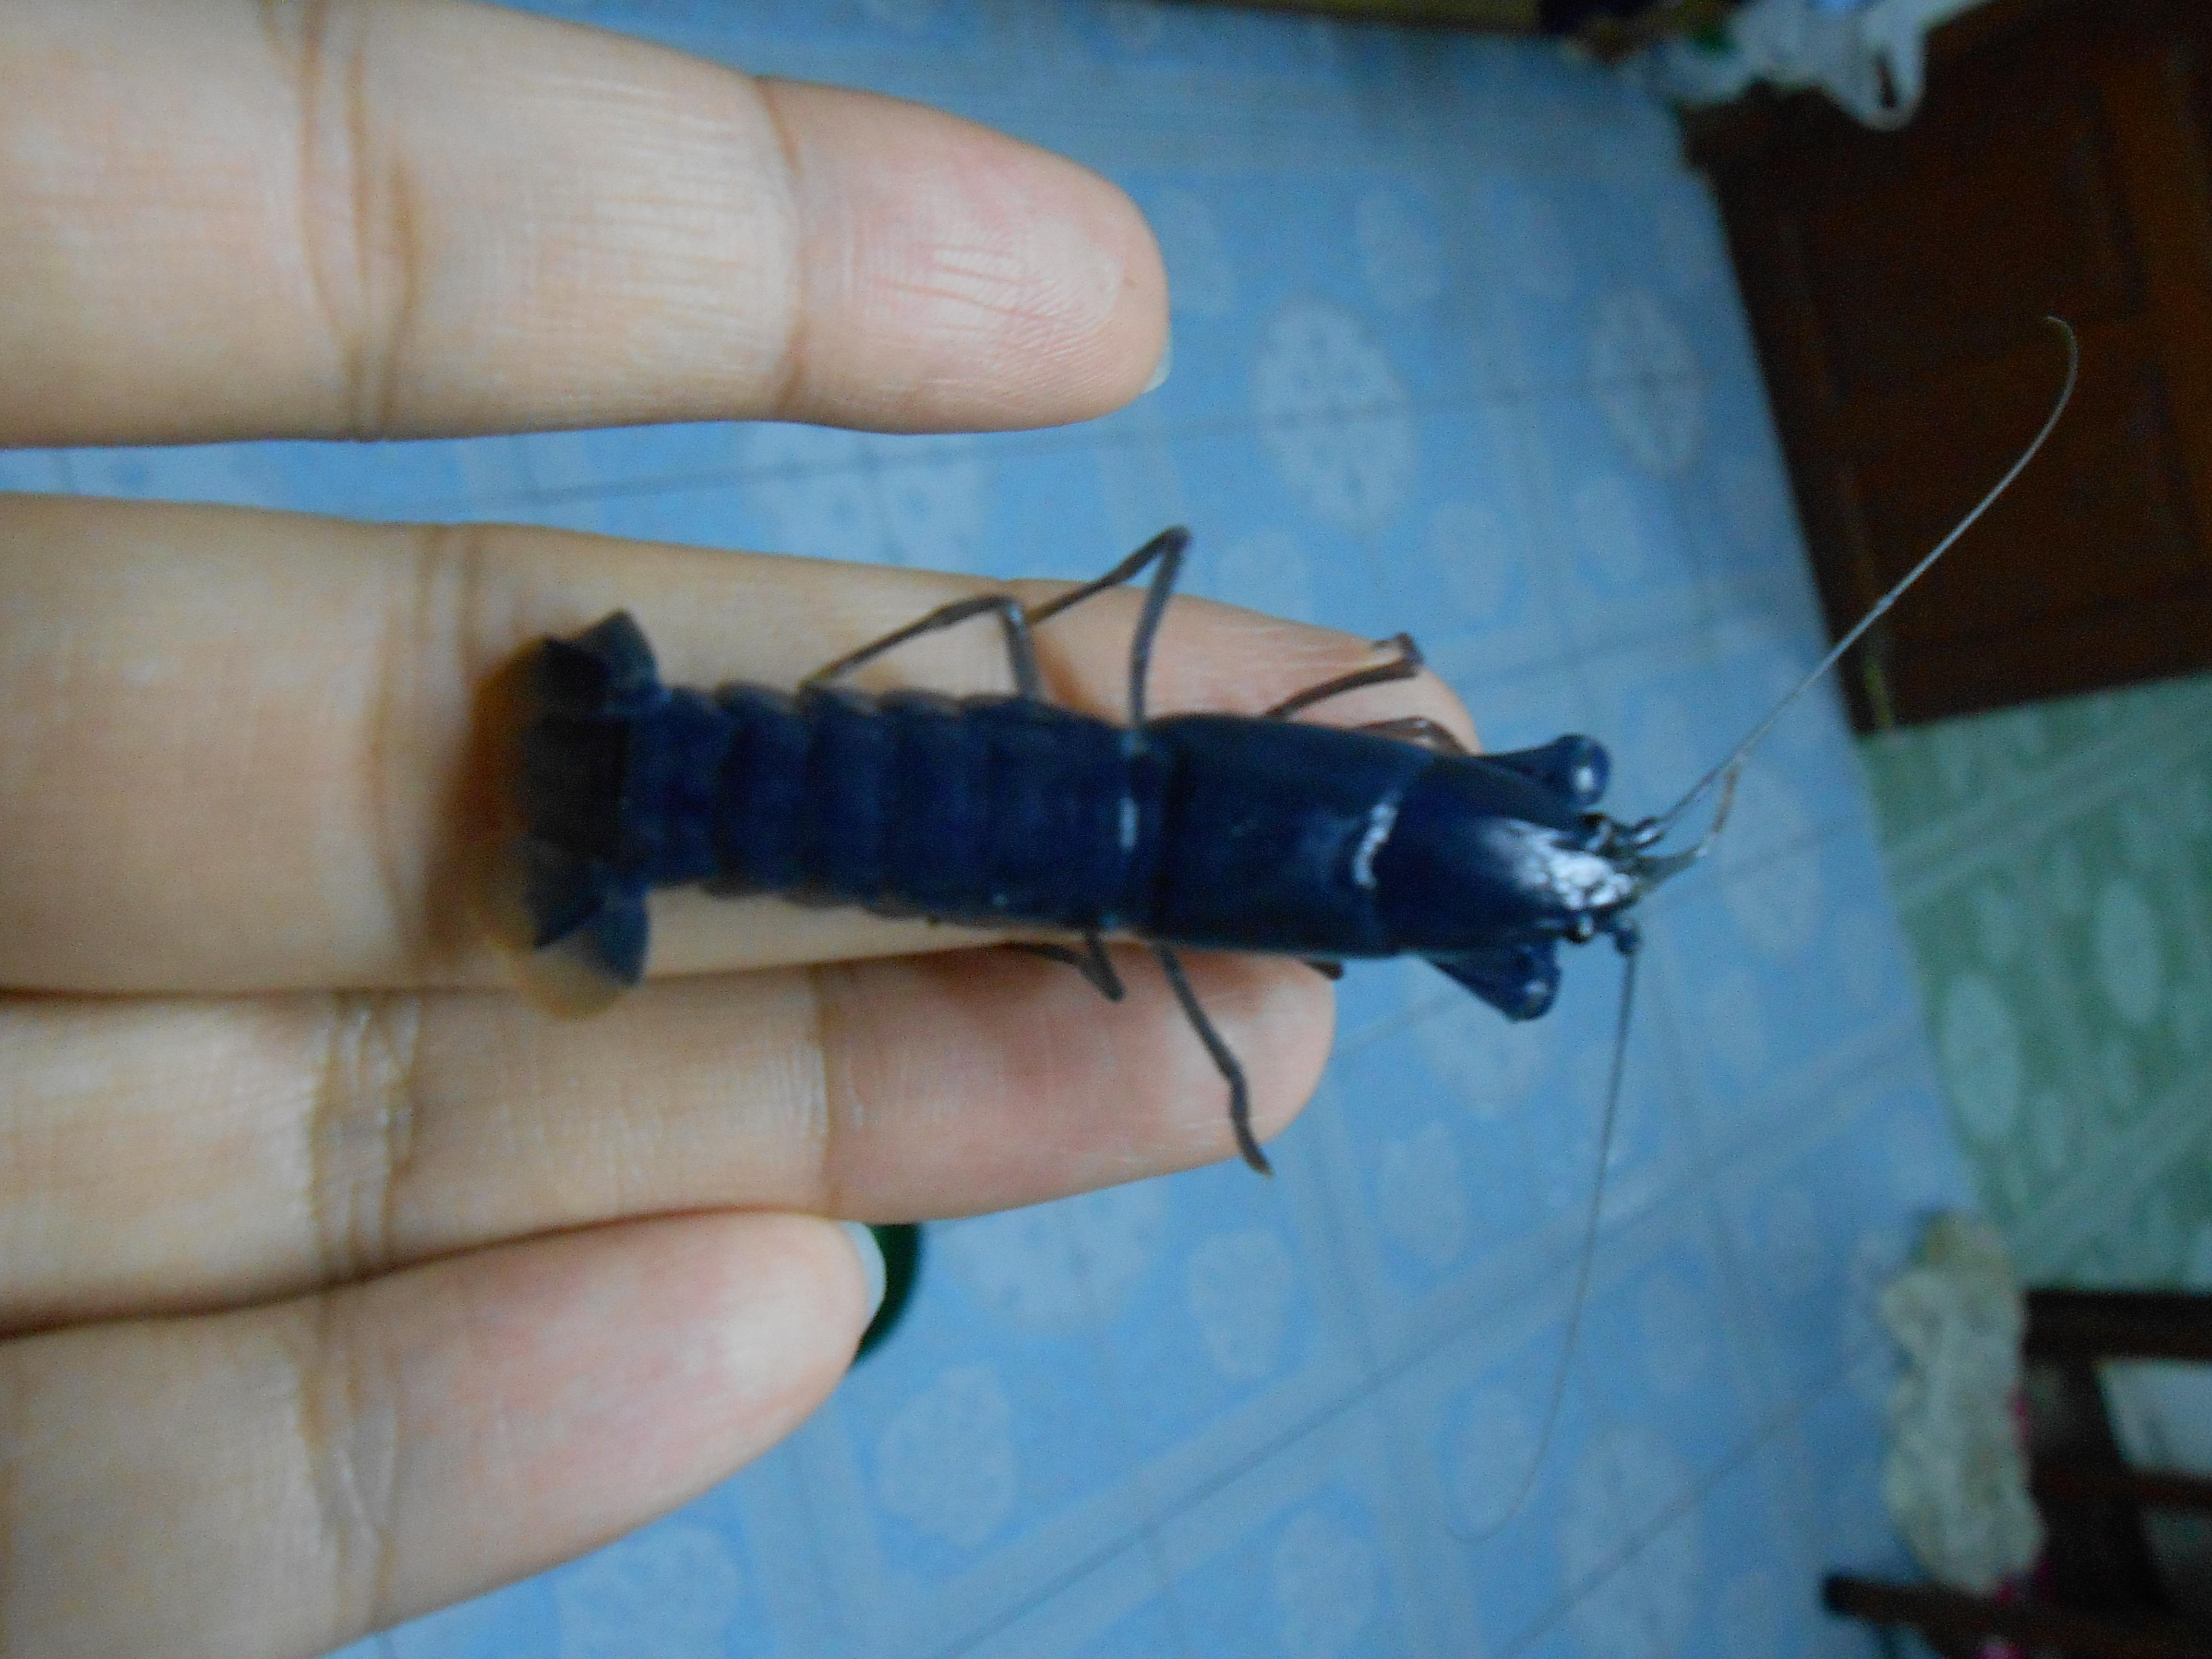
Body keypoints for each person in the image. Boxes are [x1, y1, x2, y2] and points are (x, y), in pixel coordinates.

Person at [0, 5, 1474, 1655]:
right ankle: (635, 797)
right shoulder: (1222, 914)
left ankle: (640, 772)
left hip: (912, 780)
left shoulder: (1321, 763)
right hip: (1006, 844)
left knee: (981, 702)